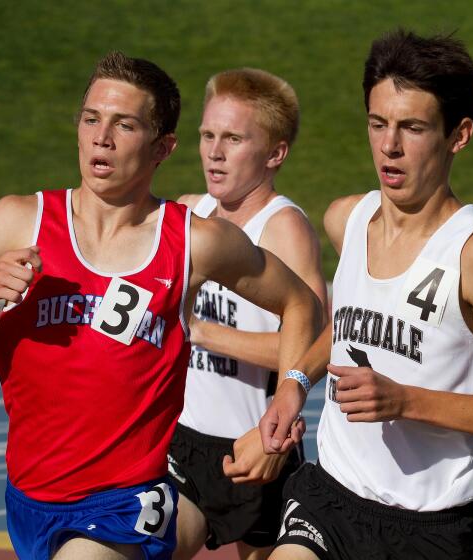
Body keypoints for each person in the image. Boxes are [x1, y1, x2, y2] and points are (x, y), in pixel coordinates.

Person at [0, 52, 321, 560]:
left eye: (124, 125)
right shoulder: (18, 220)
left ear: (162, 147)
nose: (102, 137)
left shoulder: (195, 242)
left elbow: (301, 302)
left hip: (128, 503)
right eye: (92, 119)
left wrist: (290, 393)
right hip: (30, 497)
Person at [254, 29, 473, 560]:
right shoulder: (347, 219)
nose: (389, 146)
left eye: (412, 128)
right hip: (332, 498)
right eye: (378, 124)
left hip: (432, 527)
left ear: (459, 135)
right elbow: (350, 321)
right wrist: (296, 381)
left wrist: (406, 401)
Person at [168, 69, 329, 560]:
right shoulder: (187, 212)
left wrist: (203, 333)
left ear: (275, 154)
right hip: (182, 443)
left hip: (257, 448)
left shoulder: (283, 228)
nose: (214, 152)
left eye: (233, 138)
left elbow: (314, 340)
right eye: (208, 135)